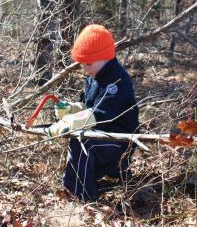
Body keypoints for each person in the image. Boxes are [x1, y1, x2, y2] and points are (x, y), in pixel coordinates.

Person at [48, 24, 139, 201]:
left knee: (82, 143)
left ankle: (83, 197)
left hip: (121, 141)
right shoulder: (95, 76)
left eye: (88, 64)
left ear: (104, 58)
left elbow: (102, 114)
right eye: (82, 64)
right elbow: (90, 106)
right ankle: (73, 186)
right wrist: (72, 109)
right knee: (79, 140)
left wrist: (70, 123)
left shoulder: (117, 81)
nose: (85, 69)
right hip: (102, 135)